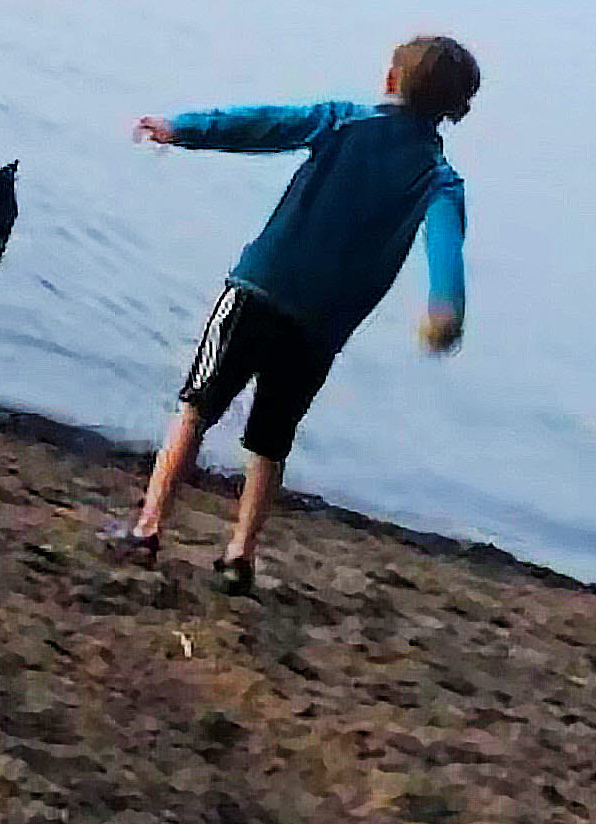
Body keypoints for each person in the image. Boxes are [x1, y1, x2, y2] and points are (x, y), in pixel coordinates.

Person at [105, 34, 478, 592]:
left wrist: (181, 129)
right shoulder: (440, 180)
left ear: (391, 81)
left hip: (258, 288)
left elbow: (260, 125)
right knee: (270, 441)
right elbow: (446, 251)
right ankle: (239, 556)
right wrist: (446, 310)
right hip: (320, 328)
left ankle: (148, 530)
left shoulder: (342, 120)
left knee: (195, 409)